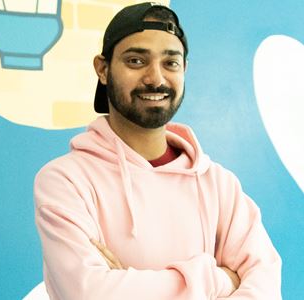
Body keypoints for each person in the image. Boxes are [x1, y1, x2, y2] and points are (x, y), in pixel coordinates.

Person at [33, 2, 282, 299]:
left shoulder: (219, 185)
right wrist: (219, 281)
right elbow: (90, 293)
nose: (156, 78)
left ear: (184, 69)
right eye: (136, 61)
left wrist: (126, 282)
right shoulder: (65, 181)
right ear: (103, 68)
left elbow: (264, 286)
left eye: (170, 63)